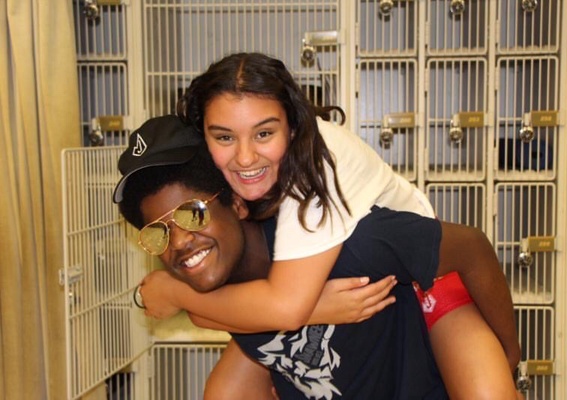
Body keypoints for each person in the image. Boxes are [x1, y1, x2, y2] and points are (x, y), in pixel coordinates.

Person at [135, 52, 520, 396]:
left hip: (422, 277)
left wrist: (509, 352)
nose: (245, 156)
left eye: (264, 133)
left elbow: (285, 307)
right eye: (224, 137)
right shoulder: (245, 198)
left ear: (293, 127)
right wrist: (319, 308)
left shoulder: (318, 174)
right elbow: (218, 310)